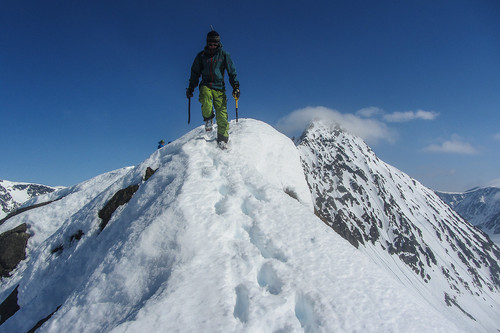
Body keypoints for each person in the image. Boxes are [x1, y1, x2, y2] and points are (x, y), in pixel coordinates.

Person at [186, 30, 240, 149]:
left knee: (222, 115)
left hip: (220, 88)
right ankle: (209, 119)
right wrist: (191, 88)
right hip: (206, 84)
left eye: (214, 44)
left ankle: (222, 139)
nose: (212, 46)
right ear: (207, 43)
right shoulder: (201, 56)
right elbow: (195, 73)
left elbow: (232, 71)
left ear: (218, 43)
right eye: (210, 44)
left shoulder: (224, 55)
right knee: (205, 97)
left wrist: (235, 86)